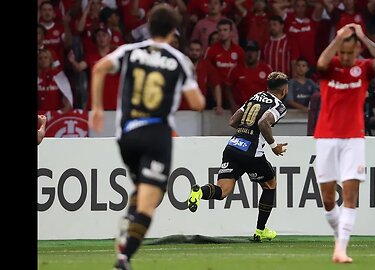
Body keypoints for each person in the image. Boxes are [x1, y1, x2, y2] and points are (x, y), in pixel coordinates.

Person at [89, 5, 206, 270]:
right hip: (156, 134)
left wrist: (96, 108)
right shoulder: (179, 60)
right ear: (173, 31)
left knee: (141, 188)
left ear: (149, 27)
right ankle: (124, 256)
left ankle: (129, 221)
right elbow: (198, 102)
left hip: (127, 135)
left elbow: (98, 68)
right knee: (150, 202)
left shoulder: (130, 51)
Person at [314, 23, 375, 263]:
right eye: (342, 53)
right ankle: (339, 236)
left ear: (357, 50)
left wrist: (363, 37)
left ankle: (341, 249)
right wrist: (338, 38)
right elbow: (320, 63)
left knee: (350, 195)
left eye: (350, 52)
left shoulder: (364, 68)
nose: (345, 58)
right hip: (326, 137)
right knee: (327, 200)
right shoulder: (330, 66)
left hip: (354, 138)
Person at [187, 71, 289, 242]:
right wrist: (273, 146)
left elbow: (233, 121)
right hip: (251, 152)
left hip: (233, 146)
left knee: (222, 191)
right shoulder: (279, 106)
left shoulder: (255, 97)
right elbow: (264, 122)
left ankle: (199, 192)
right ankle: (260, 231)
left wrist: (245, 133)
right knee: (270, 185)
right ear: (284, 90)